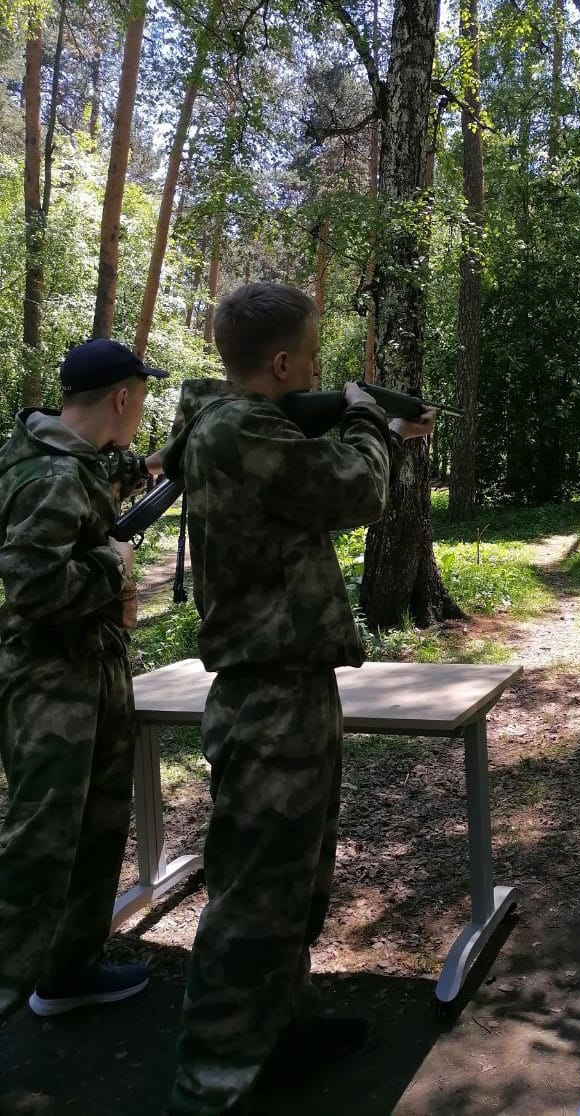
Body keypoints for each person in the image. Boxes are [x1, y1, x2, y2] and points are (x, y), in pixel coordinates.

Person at [161, 281, 434, 1116]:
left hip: (290, 682)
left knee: (295, 883)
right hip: (269, 688)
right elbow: (357, 490)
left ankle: (279, 1033)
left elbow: (300, 466)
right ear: (281, 364)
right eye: (311, 359)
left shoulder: (238, 423)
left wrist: (362, 420)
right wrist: (368, 421)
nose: (317, 371)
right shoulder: (240, 428)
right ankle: (210, 1083)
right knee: (255, 896)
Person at [0, 338, 168, 1024]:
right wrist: (113, 563)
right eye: (142, 399)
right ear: (123, 398)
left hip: (87, 671)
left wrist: (155, 464)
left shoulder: (67, 455)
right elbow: (34, 588)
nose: (141, 411)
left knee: (97, 830)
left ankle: (67, 973)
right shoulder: (51, 476)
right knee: (40, 846)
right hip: (52, 685)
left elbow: (103, 474)